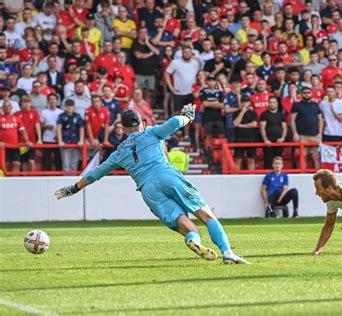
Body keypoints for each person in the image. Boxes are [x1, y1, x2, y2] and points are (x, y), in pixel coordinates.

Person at [55, 105, 250, 264]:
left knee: (189, 228)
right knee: (207, 216)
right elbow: (174, 122)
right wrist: (188, 117)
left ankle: (194, 241)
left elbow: (95, 173)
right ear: (141, 122)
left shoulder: (118, 153)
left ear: (122, 129)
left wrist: (74, 188)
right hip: (167, 176)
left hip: (148, 190)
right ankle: (227, 253)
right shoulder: (150, 133)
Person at [57, 100, 84, 172]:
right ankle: (66, 180)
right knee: (66, 164)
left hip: (75, 142)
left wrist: (81, 140)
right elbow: (59, 128)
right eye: (68, 106)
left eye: (71, 106)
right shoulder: (61, 116)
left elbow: (81, 129)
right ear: (65, 107)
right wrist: (60, 141)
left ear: (74, 107)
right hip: (65, 143)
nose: (69, 108)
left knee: (74, 163)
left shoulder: (78, 116)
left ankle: (73, 181)